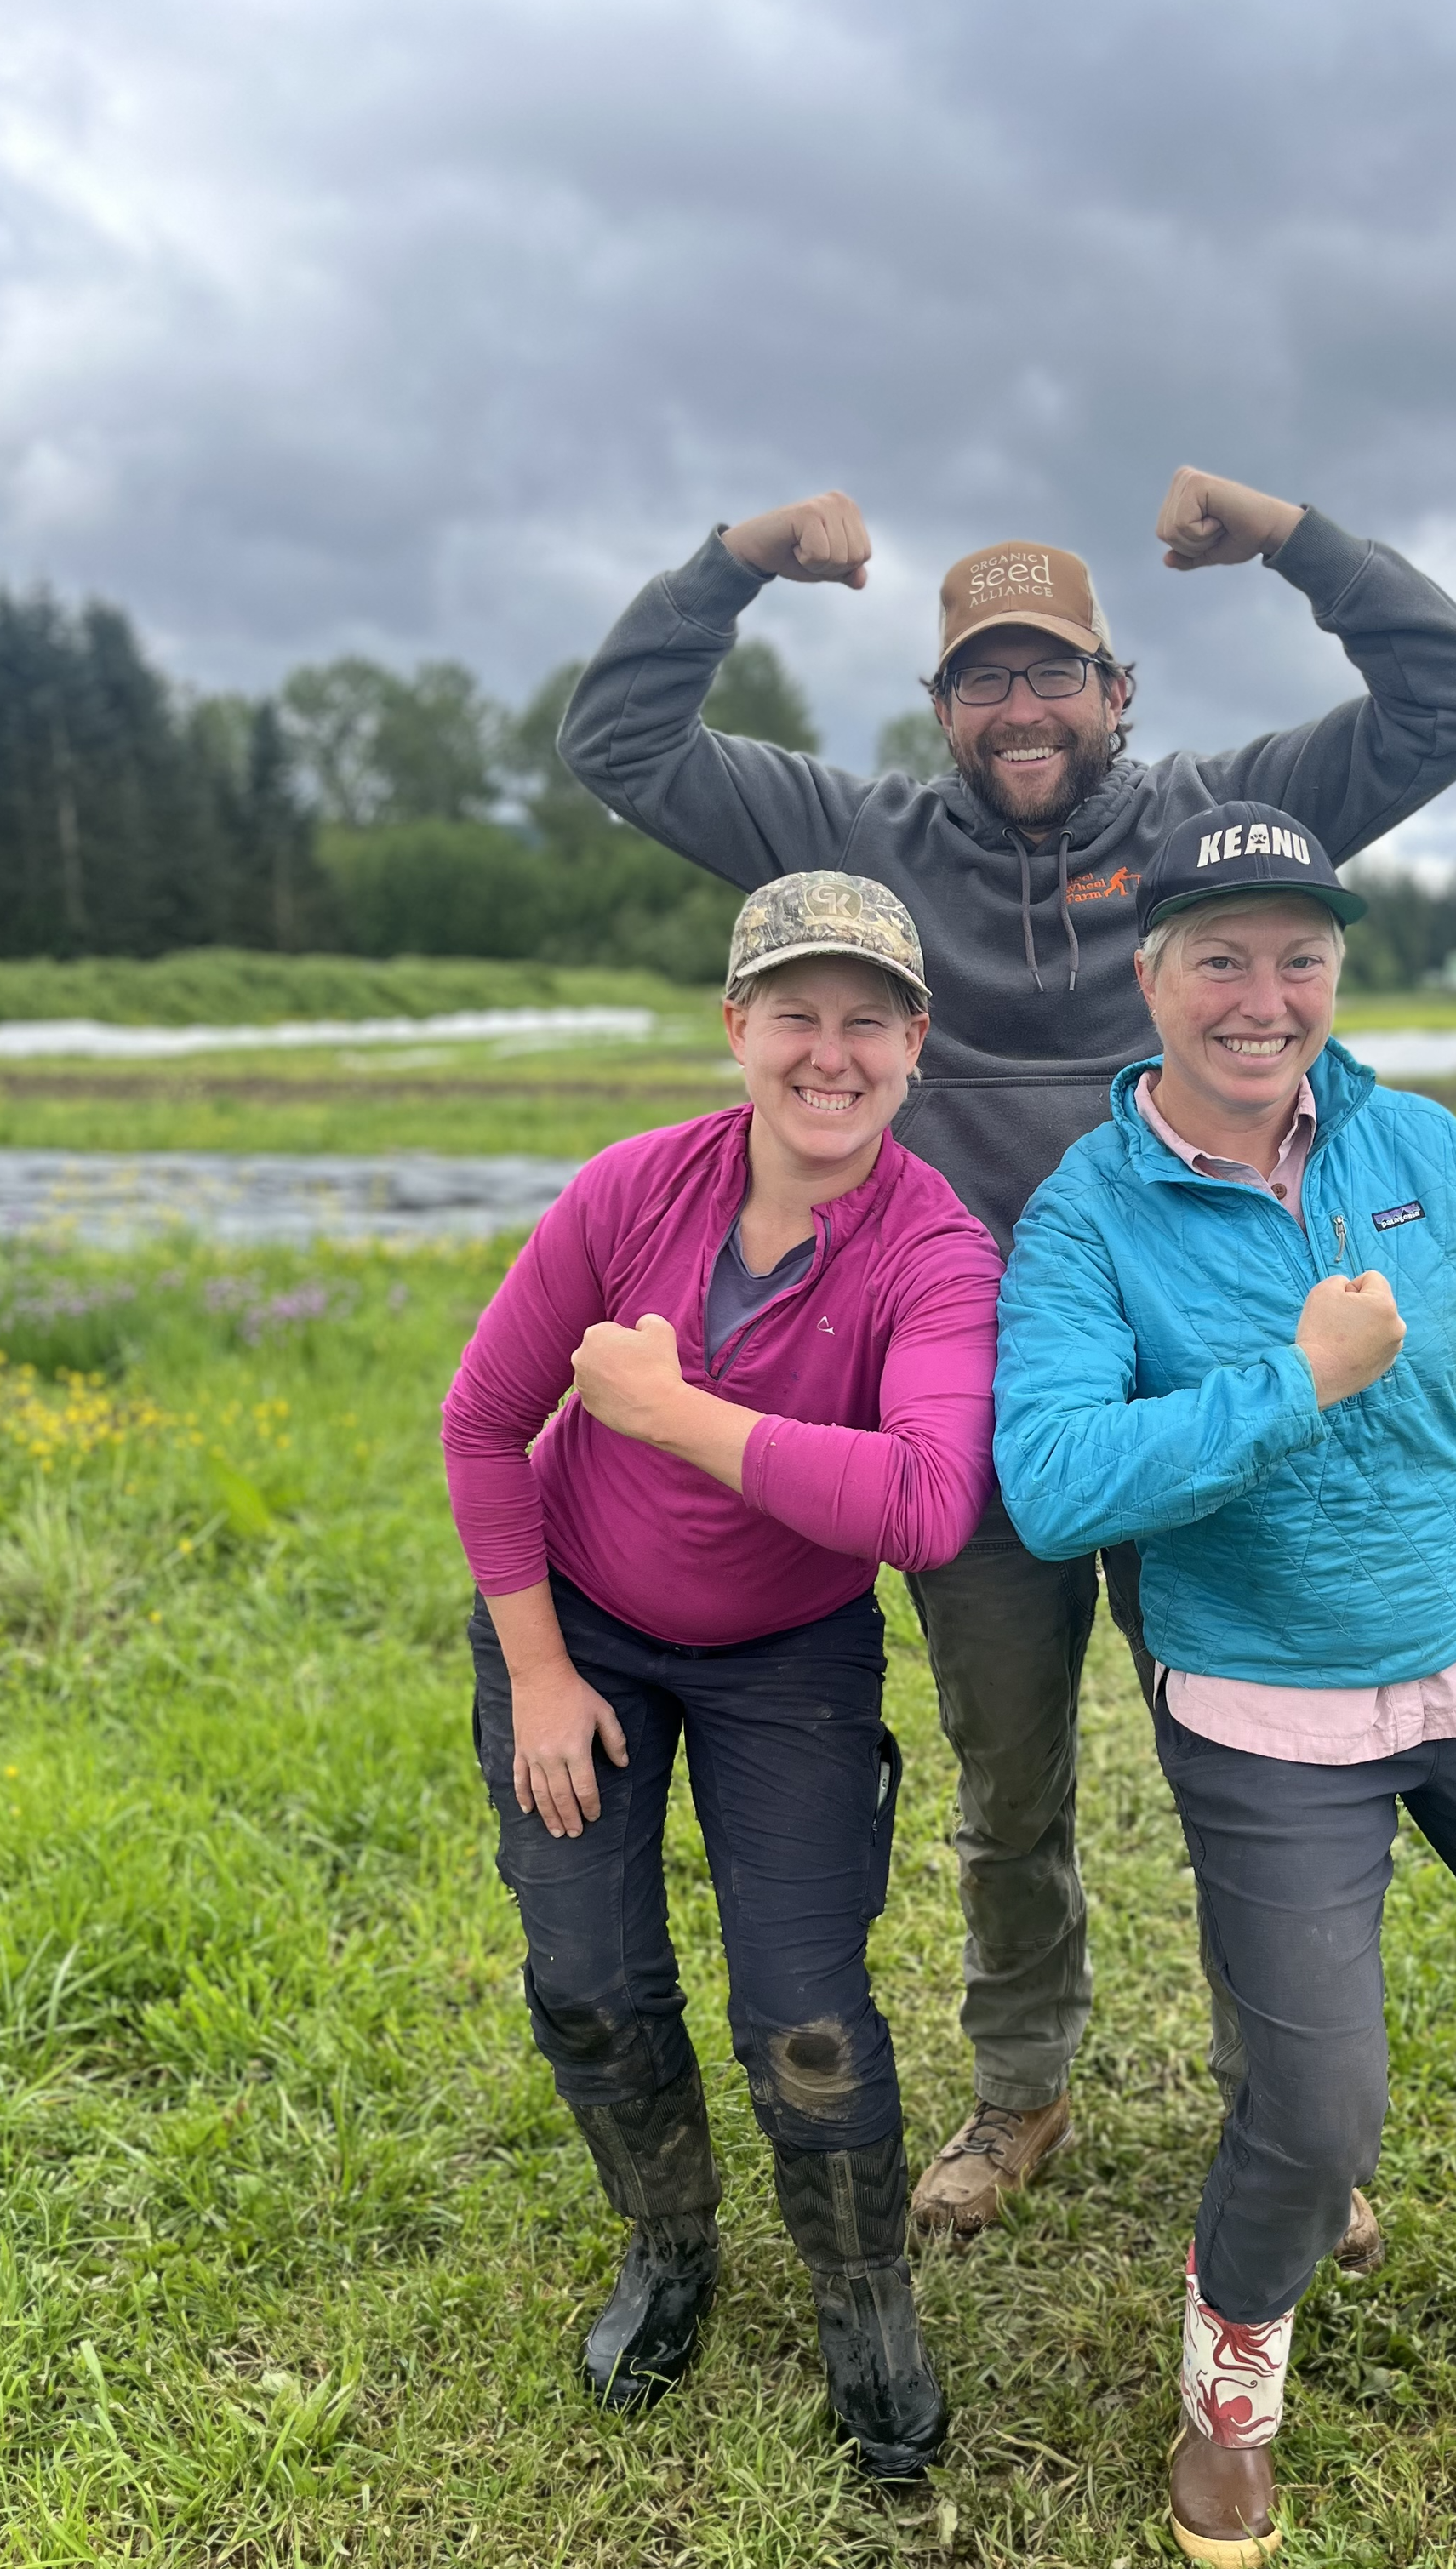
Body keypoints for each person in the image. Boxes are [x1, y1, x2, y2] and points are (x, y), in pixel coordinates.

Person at [558, 469, 1456, 2241]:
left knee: (1254, 1772)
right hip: (970, 1415)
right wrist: (740, 560)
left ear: (1116, 689)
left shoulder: (1218, 815)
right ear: (940, 712)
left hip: (1211, 1401)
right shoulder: (856, 842)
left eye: (1053, 673)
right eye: (984, 680)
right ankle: (1022, 2093)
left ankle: (1289, 2121)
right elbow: (621, 742)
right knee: (1008, 1792)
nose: (1022, 709)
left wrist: (1295, 538)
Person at [991, 807, 1456, 2564]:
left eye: (1299, 957)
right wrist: (1292, 1380)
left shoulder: (1427, 1154)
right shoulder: (1085, 1213)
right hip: (1265, 1726)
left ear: (1335, 970)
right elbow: (1053, 1482)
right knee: (1316, 2119)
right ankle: (1228, 2376)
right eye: (1222, 959)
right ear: (1150, 974)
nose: (1264, 997)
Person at [440, 873, 1001, 2480]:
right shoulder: (631, 1190)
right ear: (737, 1026)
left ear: (915, 1043)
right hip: (584, 1623)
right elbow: (485, 1423)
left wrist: (671, 1411)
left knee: (807, 2014)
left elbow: (924, 1499)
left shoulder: (936, 1250)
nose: (832, 1054)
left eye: (869, 1021)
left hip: (789, 1655)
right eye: (797, 1015)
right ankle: (670, 2247)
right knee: (589, 1983)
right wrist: (540, 1670)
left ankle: (862, 2291)